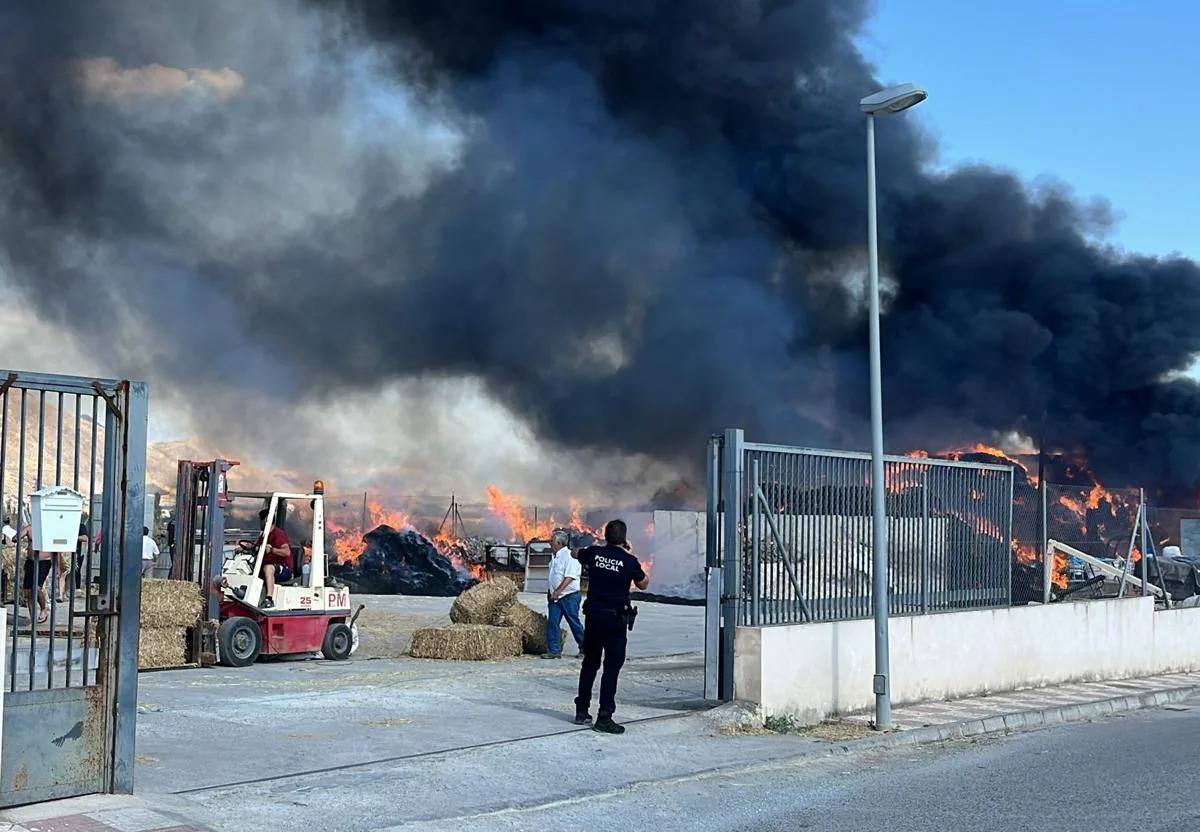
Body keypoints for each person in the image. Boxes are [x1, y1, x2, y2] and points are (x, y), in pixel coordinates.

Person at [572, 519, 649, 734]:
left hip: (594, 618)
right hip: (615, 622)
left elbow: (574, 553)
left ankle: (581, 710)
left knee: (590, 663)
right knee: (611, 668)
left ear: (605, 536)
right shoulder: (629, 560)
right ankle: (604, 717)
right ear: (624, 538)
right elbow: (644, 583)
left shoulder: (594, 553)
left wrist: (590, 550)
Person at [543, 530, 585, 659]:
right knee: (553, 623)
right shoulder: (555, 557)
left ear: (558, 543)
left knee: (573, 622)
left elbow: (569, 577)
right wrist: (551, 592)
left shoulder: (570, 556)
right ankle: (554, 650)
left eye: (551, 541)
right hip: (555, 597)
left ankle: (586, 648)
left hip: (569, 596)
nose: (550, 544)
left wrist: (557, 591)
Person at [237, 508, 291, 608]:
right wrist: (245, 549)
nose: (259, 523)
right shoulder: (264, 535)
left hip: (284, 569)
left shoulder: (278, 534)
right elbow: (256, 547)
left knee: (268, 568)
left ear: (266, 520)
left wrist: (272, 550)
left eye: (260, 520)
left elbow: (286, 552)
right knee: (248, 567)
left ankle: (269, 599)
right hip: (267, 565)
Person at [57, 518, 90, 601]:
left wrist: (72, 537)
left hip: (76, 554)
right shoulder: (62, 526)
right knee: (63, 573)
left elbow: (85, 538)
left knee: (71, 574)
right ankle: (61, 595)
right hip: (64, 553)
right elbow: (57, 539)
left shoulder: (80, 526)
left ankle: (64, 594)